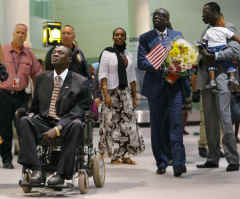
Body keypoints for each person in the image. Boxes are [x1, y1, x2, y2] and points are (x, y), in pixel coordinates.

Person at [16, 45, 91, 185]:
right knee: (25, 121)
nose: (55, 54)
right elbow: (36, 108)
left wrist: (58, 128)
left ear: (69, 59)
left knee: (77, 125)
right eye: (54, 52)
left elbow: (80, 109)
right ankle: (36, 169)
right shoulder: (41, 78)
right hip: (45, 121)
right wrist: (26, 114)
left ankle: (61, 174)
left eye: (60, 53)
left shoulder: (80, 82)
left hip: (66, 123)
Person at [138, 8, 187, 177]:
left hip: (174, 87)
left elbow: (185, 59)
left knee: (176, 125)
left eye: (161, 16)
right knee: (158, 127)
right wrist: (161, 66)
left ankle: (179, 162)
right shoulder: (146, 38)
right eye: (155, 16)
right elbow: (141, 62)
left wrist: (179, 66)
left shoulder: (177, 35)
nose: (157, 18)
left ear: (167, 19)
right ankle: (161, 161)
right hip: (155, 88)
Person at [196, 2, 239, 171]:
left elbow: (236, 51)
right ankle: (213, 157)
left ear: (216, 13)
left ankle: (233, 159)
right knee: (210, 121)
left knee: (225, 118)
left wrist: (215, 55)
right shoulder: (206, 30)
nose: (203, 16)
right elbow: (203, 51)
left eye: (205, 13)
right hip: (207, 80)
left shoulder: (229, 27)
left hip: (222, 78)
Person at [98, 27, 145, 165]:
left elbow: (132, 77)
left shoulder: (129, 55)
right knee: (111, 124)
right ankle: (113, 156)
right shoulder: (107, 53)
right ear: (113, 38)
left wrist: (135, 96)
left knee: (128, 125)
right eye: (116, 35)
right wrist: (105, 94)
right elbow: (103, 74)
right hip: (111, 92)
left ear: (125, 37)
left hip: (125, 94)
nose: (119, 37)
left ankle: (125, 154)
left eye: (121, 35)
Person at [0, 24, 42, 169]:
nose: (20, 35)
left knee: (24, 127)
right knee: (3, 130)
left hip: (21, 97)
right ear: (13, 33)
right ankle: (6, 158)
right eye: (18, 32)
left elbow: (37, 74)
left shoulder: (29, 54)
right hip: (3, 95)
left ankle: (25, 159)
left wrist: (38, 95)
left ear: (26, 36)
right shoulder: (3, 50)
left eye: (23, 33)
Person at [200, 14, 240, 89]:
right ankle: (232, 77)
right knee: (229, 63)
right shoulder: (224, 29)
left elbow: (203, 41)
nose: (224, 22)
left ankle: (212, 81)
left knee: (211, 65)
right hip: (222, 48)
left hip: (212, 50)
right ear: (219, 21)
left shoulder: (209, 31)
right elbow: (236, 38)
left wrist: (202, 47)